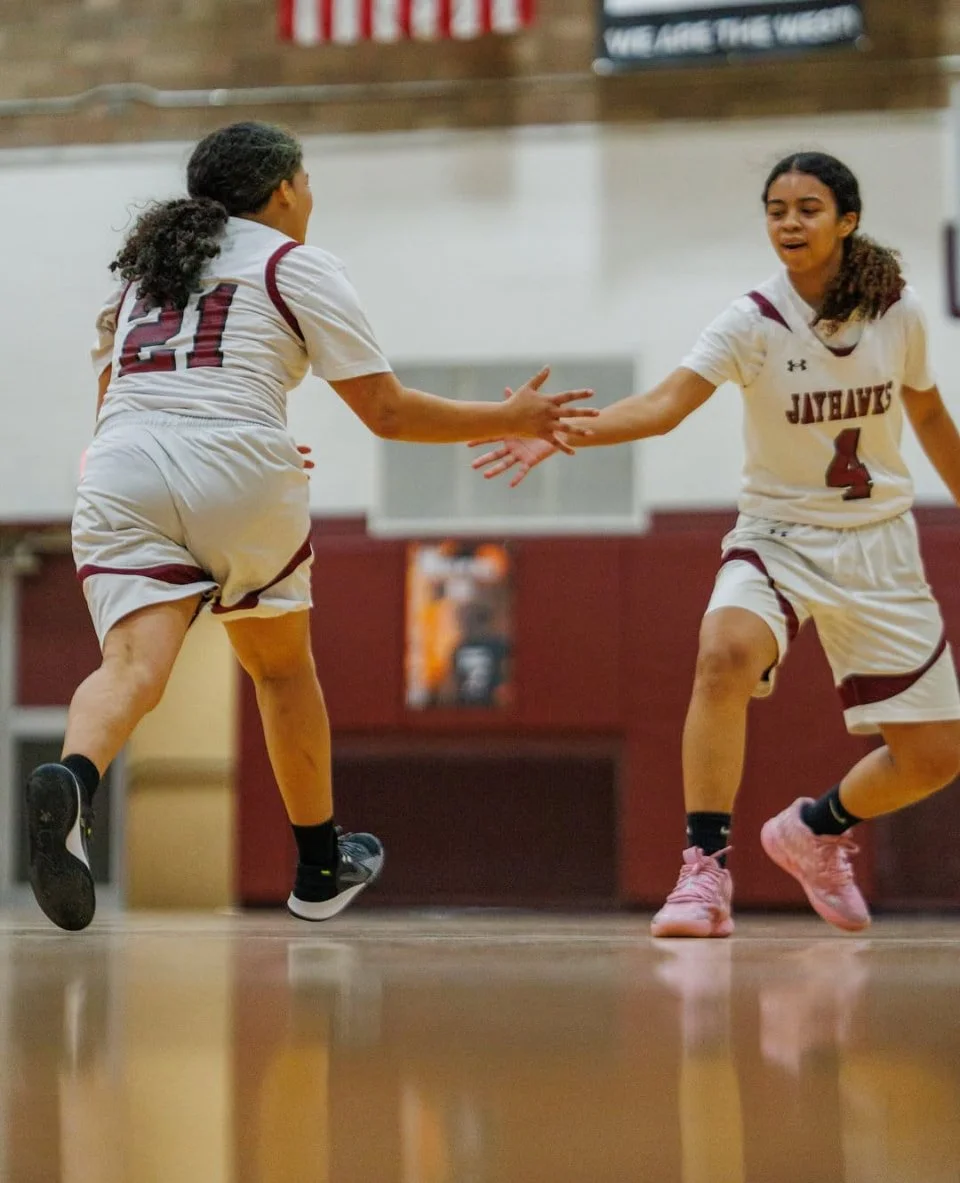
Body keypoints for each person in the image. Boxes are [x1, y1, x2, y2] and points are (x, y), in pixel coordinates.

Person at [26, 120, 596, 933]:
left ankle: (75, 777)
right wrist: (507, 415)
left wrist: (194, 450)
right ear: (285, 188)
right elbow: (387, 412)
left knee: (130, 664)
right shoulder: (293, 264)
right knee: (280, 669)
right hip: (241, 467)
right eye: (309, 182)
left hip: (119, 467)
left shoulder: (137, 284)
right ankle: (321, 863)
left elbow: (121, 406)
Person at [472, 151, 960, 936]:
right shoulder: (751, 320)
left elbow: (931, 417)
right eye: (776, 209)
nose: (790, 222)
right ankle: (704, 872)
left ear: (847, 219)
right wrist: (562, 432)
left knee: (936, 755)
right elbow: (664, 405)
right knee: (723, 652)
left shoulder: (896, 314)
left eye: (807, 208)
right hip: (780, 533)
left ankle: (816, 829)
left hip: (879, 542)